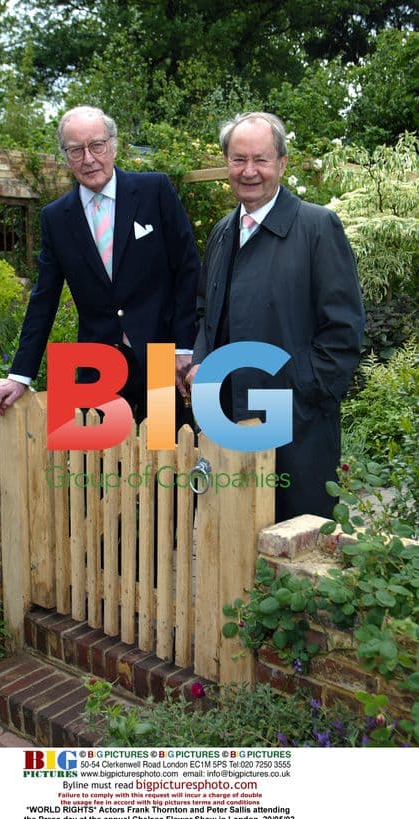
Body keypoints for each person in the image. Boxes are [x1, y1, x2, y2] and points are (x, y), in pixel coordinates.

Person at [186, 112, 365, 522]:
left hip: (294, 425)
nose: (249, 171)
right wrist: (202, 362)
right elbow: (205, 314)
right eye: (238, 159)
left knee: (293, 545)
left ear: (282, 164)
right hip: (228, 421)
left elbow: (344, 331)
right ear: (226, 164)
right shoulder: (221, 232)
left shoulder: (317, 227)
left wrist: (299, 391)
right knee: (232, 540)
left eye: (261, 160)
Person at [0, 106, 200, 422]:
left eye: (97, 146)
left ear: (113, 145)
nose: (88, 159)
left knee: (166, 458)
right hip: (98, 363)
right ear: (66, 156)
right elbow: (43, 298)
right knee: (97, 464)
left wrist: (184, 346)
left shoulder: (155, 190)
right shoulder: (55, 218)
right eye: (76, 150)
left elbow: (188, 269)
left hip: (161, 359)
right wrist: (20, 374)